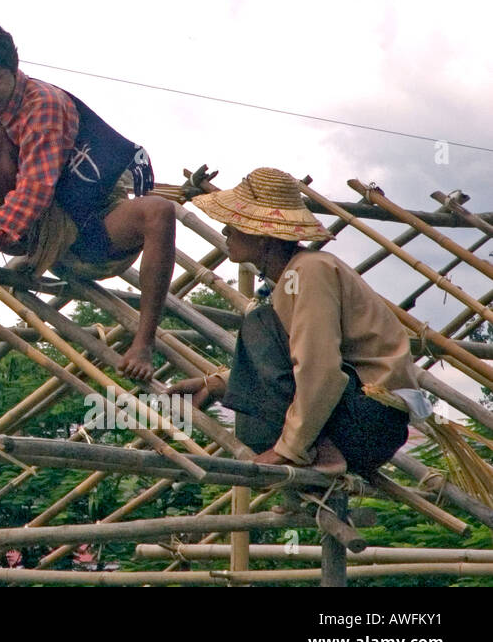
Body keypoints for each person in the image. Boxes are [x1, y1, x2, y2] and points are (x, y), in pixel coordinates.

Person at [0, 20, 175, 381]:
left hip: (92, 232)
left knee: (159, 211)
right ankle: (27, 239)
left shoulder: (44, 106)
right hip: (40, 227)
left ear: (14, 66)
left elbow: (34, 190)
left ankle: (143, 342)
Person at [169, 167, 419, 475]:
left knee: (259, 322)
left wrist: (290, 448)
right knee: (260, 341)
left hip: (368, 418)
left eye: (235, 224)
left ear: (263, 236)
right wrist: (220, 384)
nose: (226, 232)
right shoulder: (294, 278)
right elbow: (289, 361)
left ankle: (320, 450)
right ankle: (315, 447)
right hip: (364, 419)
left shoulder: (310, 272)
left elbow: (319, 366)